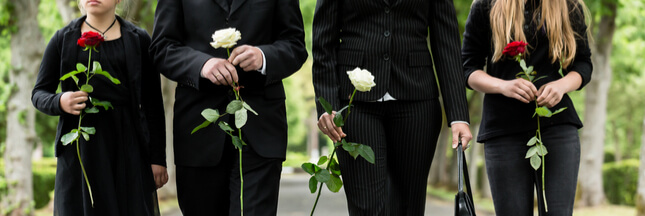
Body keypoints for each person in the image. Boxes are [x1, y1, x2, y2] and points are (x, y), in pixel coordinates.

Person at [312, 0, 473, 215]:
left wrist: (458, 116)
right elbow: (323, 41)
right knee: (366, 207)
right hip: (354, 104)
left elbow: (446, 42)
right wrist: (327, 105)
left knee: (408, 206)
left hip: (417, 100)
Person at [149, 0, 307, 215]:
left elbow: (295, 44)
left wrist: (263, 57)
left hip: (261, 129)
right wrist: (202, 66)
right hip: (198, 131)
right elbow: (162, 47)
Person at [31, 0, 168, 215]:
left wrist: (158, 159)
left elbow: (153, 104)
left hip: (128, 148)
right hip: (79, 150)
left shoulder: (139, 39)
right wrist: (60, 101)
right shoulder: (63, 38)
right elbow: (38, 94)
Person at [462, 0, 592, 215]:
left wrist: (561, 86)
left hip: (557, 127)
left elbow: (583, 64)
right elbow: (467, 68)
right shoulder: (486, 5)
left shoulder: (570, 6)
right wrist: (503, 86)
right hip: (503, 130)